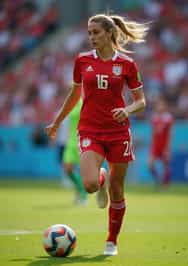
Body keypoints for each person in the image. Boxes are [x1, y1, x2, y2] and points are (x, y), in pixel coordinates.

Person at [46, 14, 148, 255]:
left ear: (109, 33)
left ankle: (111, 241)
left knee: (117, 190)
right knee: (90, 185)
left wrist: (127, 109)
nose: (91, 37)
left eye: (96, 32)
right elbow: (74, 96)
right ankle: (99, 178)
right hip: (90, 129)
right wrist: (57, 122)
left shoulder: (127, 65)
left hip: (118, 133)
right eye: (89, 33)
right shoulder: (81, 61)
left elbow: (141, 101)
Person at [62, 99, 87, 205]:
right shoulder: (70, 102)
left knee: (83, 171)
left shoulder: (84, 103)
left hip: (82, 140)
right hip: (70, 141)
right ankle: (80, 189)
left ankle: (82, 196)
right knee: (67, 169)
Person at [149, 98, 173, 187]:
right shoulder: (154, 117)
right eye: (158, 105)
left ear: (164, 106)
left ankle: (166, 184)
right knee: (150, 165)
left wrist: (168, 148)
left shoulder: (168, 118)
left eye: (161, 105)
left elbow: (170, 133)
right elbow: (153, 133)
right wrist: (152, 145)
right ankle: (158, 180)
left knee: (165, 165)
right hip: (155, 146)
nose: (159, 107)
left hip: (164, 146)